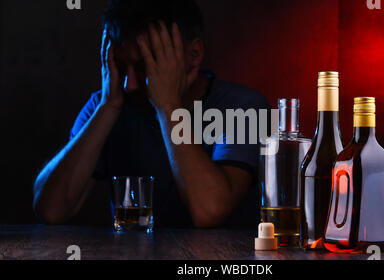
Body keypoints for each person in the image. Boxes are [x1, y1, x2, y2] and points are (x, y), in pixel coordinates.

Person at [33, 0, 270, 228]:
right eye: (121, 66)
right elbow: (51, 210)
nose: (130, 85)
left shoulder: (242, 107)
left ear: (194, 54)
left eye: (145, 67)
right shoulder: (106, 104)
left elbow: (209, 211)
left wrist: (168, 107)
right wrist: (107, 108)